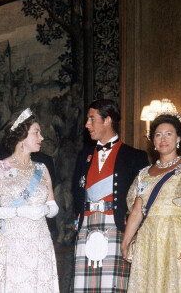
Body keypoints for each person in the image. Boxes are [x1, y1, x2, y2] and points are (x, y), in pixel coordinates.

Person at [121, 113, 181, 293]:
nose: (163, 139)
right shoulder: (144, 173)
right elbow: (137, 211)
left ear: (178, 138)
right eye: (158, 134)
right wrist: (125, 242)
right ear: (153, 141)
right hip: (148, 237)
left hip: (177, 236)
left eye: (169, 134)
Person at [0, 108, 60, 293]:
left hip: (41, 242)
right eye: (36, 132)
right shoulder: (0, 168)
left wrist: (46, 210)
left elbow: (53, 206)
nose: (42, 137)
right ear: (22, 136)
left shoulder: (42, 168)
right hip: (13, 242)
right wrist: (19, 211)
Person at [71, 99, 149, 292]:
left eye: (92, 119)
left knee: (113, 287)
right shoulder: (84, 156)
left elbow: (142, 199)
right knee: (84, 287)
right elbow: (76, 192)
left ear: (107, 120)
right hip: (87, 226)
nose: (87, 124)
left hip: (116, 226)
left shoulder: (134, 156)